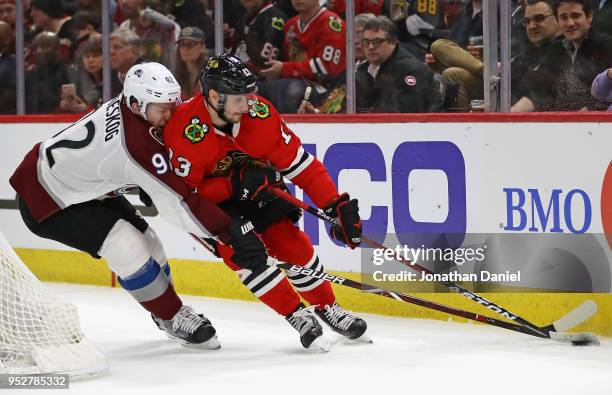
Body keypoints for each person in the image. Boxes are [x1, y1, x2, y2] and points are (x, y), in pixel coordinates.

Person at [10, 62, 268, 350]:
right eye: (162, 109)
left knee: (150, 243)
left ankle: (164, 311)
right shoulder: (134, 144)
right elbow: (178, 205)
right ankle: (171, 315)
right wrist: (229, 232)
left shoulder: (133, 109)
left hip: (79, 186)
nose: (170, 114)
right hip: (47, 202)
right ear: (136, 104)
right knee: (127, 246)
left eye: (174, 103)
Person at [162, 53, 368, 350]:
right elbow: (184, 198)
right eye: (238, 99)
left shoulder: (260, 115)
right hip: (212, 208)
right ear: (214, 96)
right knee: (246, 256)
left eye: (249, 94)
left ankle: (327, 306)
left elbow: (303, 167)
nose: (248, 105)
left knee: (291, 243)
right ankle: (295, 314)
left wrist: (335, 204)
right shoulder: (184, 130)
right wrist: (231, 184)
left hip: (256, 191)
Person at [512, 0, 612, 111]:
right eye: (564, 17)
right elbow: (537, 92)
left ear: (589, 17)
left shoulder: (606, 46)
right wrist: (507, 118)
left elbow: (600, 99)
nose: (570, 23)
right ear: (557, 20)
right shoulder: (556, 49)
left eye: (576, 16)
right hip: (560, 122)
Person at [259, 0, 346, 113]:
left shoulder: (331, 24)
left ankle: (288, 127)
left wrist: (284, 69)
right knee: (256, 88)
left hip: (326, 88)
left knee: (288, 88)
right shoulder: (291, 25)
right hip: (295, 81)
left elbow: (326, 67)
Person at [356, 16, 441, 113]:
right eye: (366, 42)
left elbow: (407, 113)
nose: (370, 47)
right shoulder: (363, 69)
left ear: (392, 42)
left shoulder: (410, 70)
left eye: (377, 42)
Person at [511, 0, 561, 104]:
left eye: (539, 18)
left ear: (558, 18)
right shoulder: (529, 52)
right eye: (527, 21)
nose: (531, 26)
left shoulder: (565, 52)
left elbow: (535, 97)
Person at [230, 0, 287, 76]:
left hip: (263, 79)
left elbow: (265, 63)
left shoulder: (276, 18)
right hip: (242, 75)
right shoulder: (244, 18)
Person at [25, 31, 71, 113]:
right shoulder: (31, 74)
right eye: (36, 48)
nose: (38, 51)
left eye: (44, 46)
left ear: (57, 49)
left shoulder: (69, 73)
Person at [173, 26, 207, 100]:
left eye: (191, 44)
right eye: (182, 44)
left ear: (202, 48)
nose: (186, 49)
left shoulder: (210, 75)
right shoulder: (174, 77)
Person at [109, 27, 141, 96]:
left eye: (117, 47)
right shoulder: (109, 76)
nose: (111, 52)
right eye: (109, 48)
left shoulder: (148, 75)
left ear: (134, 52)